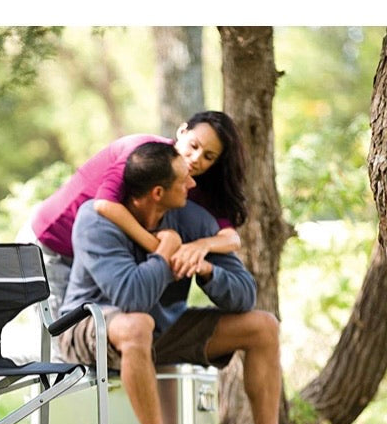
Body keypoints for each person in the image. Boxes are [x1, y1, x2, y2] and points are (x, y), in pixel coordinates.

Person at [58, 141, 293, 424]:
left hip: (159, 329)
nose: (193, 184)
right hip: (89, 326)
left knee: (263, 326)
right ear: (157, 192)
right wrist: (166, 252)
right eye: (183, 180)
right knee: (137, 323)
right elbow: (131, 297)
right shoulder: (95, 222)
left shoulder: (192, 219)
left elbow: (245, 295)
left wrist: (207, 269)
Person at [29, 111, 246, 316]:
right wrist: (160, 247)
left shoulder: (188, 183)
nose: (197, 158)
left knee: (107, 335)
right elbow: (104, 204)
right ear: (182, 131)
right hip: (55, 241)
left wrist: (200, 246)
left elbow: (231, 238)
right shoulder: (144, 153)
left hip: (100, 256)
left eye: (208, 156)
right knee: (61, 338)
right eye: (193, 145)